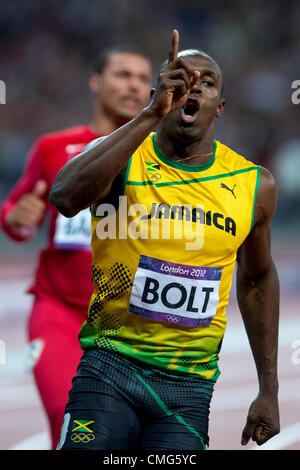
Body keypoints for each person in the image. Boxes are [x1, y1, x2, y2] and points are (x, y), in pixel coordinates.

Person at [51, 30, 280, 451]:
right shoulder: (121, 155)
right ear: (160, 92)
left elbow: (258, 278)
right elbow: (64, 197)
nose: (192, 87)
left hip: (188, 386)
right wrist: (149, 116)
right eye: (181, 78)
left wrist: (269, 389)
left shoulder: (253, 185)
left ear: (220, 106)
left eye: (206, 82)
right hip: (110, 367)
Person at [0, 45, 152, 450]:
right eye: (123, 74)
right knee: (69, 419)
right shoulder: (54, 148)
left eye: (142, 78)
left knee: (129, 435)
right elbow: (16, 209)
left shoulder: (161, 158)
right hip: (59, 313)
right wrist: (16, 219)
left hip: (129, 323)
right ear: (96, 81)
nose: (134, 85)